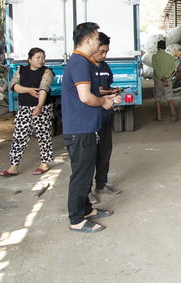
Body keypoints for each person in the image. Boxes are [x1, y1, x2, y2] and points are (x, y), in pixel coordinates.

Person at [62, 22, 118, 233]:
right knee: (81, 175)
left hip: (85, 127)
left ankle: (86, 210)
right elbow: (85, 97)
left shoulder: (83, 62)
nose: (98, 41)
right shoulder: (79, 63)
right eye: (96, 38)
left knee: (86, 171)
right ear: (87, 41)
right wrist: (104, 102)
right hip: (79, 128)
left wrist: (107, 97)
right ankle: (76, 219)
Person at [0, 48, 55, 177]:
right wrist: (28, 90)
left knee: (43, 134)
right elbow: (13, 86)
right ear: (29, 60)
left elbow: (44, 89)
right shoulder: (21, 70)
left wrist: (40, 105)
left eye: (43, 57)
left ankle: (44, 163)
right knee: (19, 135)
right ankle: (13, 166)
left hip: (42, 107)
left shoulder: (47, 71)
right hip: (24, 107)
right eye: (38, 57)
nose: (41, 60)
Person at [88, 32, 121, 205]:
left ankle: (101, 184)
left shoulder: (105, 67)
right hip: (89, 120)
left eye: (106, 52)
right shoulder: (84, 68)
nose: (103, 55)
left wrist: (115, 93)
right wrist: (108, 93)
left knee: (104, 152)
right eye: (101, 51)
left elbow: (106, 87)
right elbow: (91, 92)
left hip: (105, 118)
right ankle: (86, 190)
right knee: (88, 155)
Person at [152, 40, 176, 122]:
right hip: (168, 81)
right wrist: (166, 77)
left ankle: (159, 116)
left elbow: (155, 69)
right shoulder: (170, 57)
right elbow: (173, 68)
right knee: (169, 97)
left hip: (158, 81)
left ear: (157, 48)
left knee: (157, 98)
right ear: (165, 47)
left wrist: (161, 78)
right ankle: (172, 111)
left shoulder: (154, 57)